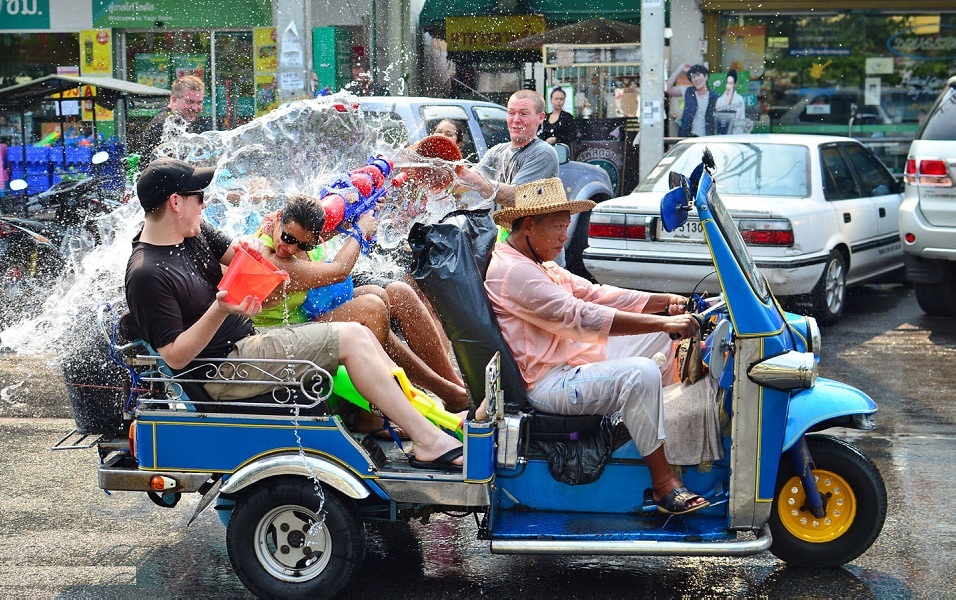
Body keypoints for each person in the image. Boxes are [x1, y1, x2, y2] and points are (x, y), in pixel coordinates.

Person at [124, 157, 464, 470]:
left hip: (247, 344)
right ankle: (427, 436)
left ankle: (432, 418)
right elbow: (176, 356)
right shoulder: (147, 273)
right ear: (175, 202)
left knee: (362, 328)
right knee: (353, 335)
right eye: (198, 197)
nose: (204, 204)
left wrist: (256, 247)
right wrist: (220, 308)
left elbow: (247, 259)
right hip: (223, 371)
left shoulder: (193, 234)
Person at [483, 177, 708, 514]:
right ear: (529, 225)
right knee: (642, 373)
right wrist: (664, 319)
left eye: (566, 227)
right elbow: (580, 315)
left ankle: (649, 438)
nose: (564, 238)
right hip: (546, 383)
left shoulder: (539, 263)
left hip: (570, 360)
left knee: (663, 338)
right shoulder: (514, 272)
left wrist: (666, 302)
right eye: (559, 228)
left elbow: (594, 293)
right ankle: (663, 482)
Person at [252, 195, 470, 412]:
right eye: (289, 239)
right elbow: (338, 272)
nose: (291, 249)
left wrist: (362, 209)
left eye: (303, 245)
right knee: (372, 308)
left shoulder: (288, 230)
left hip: (307, 315)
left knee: (397, 293)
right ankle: (382, 409)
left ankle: (453, 386)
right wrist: (360, 231)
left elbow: (326, 230)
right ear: (279, 217)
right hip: (281, 335)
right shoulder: (269, 258)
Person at [456, 89, 559, 209]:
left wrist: (472, 178)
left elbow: (517, 197)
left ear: (540, 117)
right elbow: (466, 181)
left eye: (524, 114)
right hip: (502, 227)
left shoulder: (543, 153)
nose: (515, 120)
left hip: (530, 227)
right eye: (511, 113)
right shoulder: (497, 151)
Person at [132, 75, 209, 163]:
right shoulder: (164, 123)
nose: (195, 108)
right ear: (174, 99)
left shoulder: (181, 121)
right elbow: (167, 168)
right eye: (189, 102)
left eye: (199, 102)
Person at [666, 63, 718, 137]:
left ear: (706, 76)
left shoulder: (713, 96)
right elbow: (668, 88)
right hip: (687, 137)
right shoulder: (688, 92)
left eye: (699, 75)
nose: (696, 79)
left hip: (706, 138)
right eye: (693, 77)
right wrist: (680, 68)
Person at [714, 69, 747, 134]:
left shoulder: (739, 99)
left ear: (735, 84)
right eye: (728, 82)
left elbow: (742, 119)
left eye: (731, 83)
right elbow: (716, 120)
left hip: (735, 135)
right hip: (722, 135)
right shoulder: (720, 100)